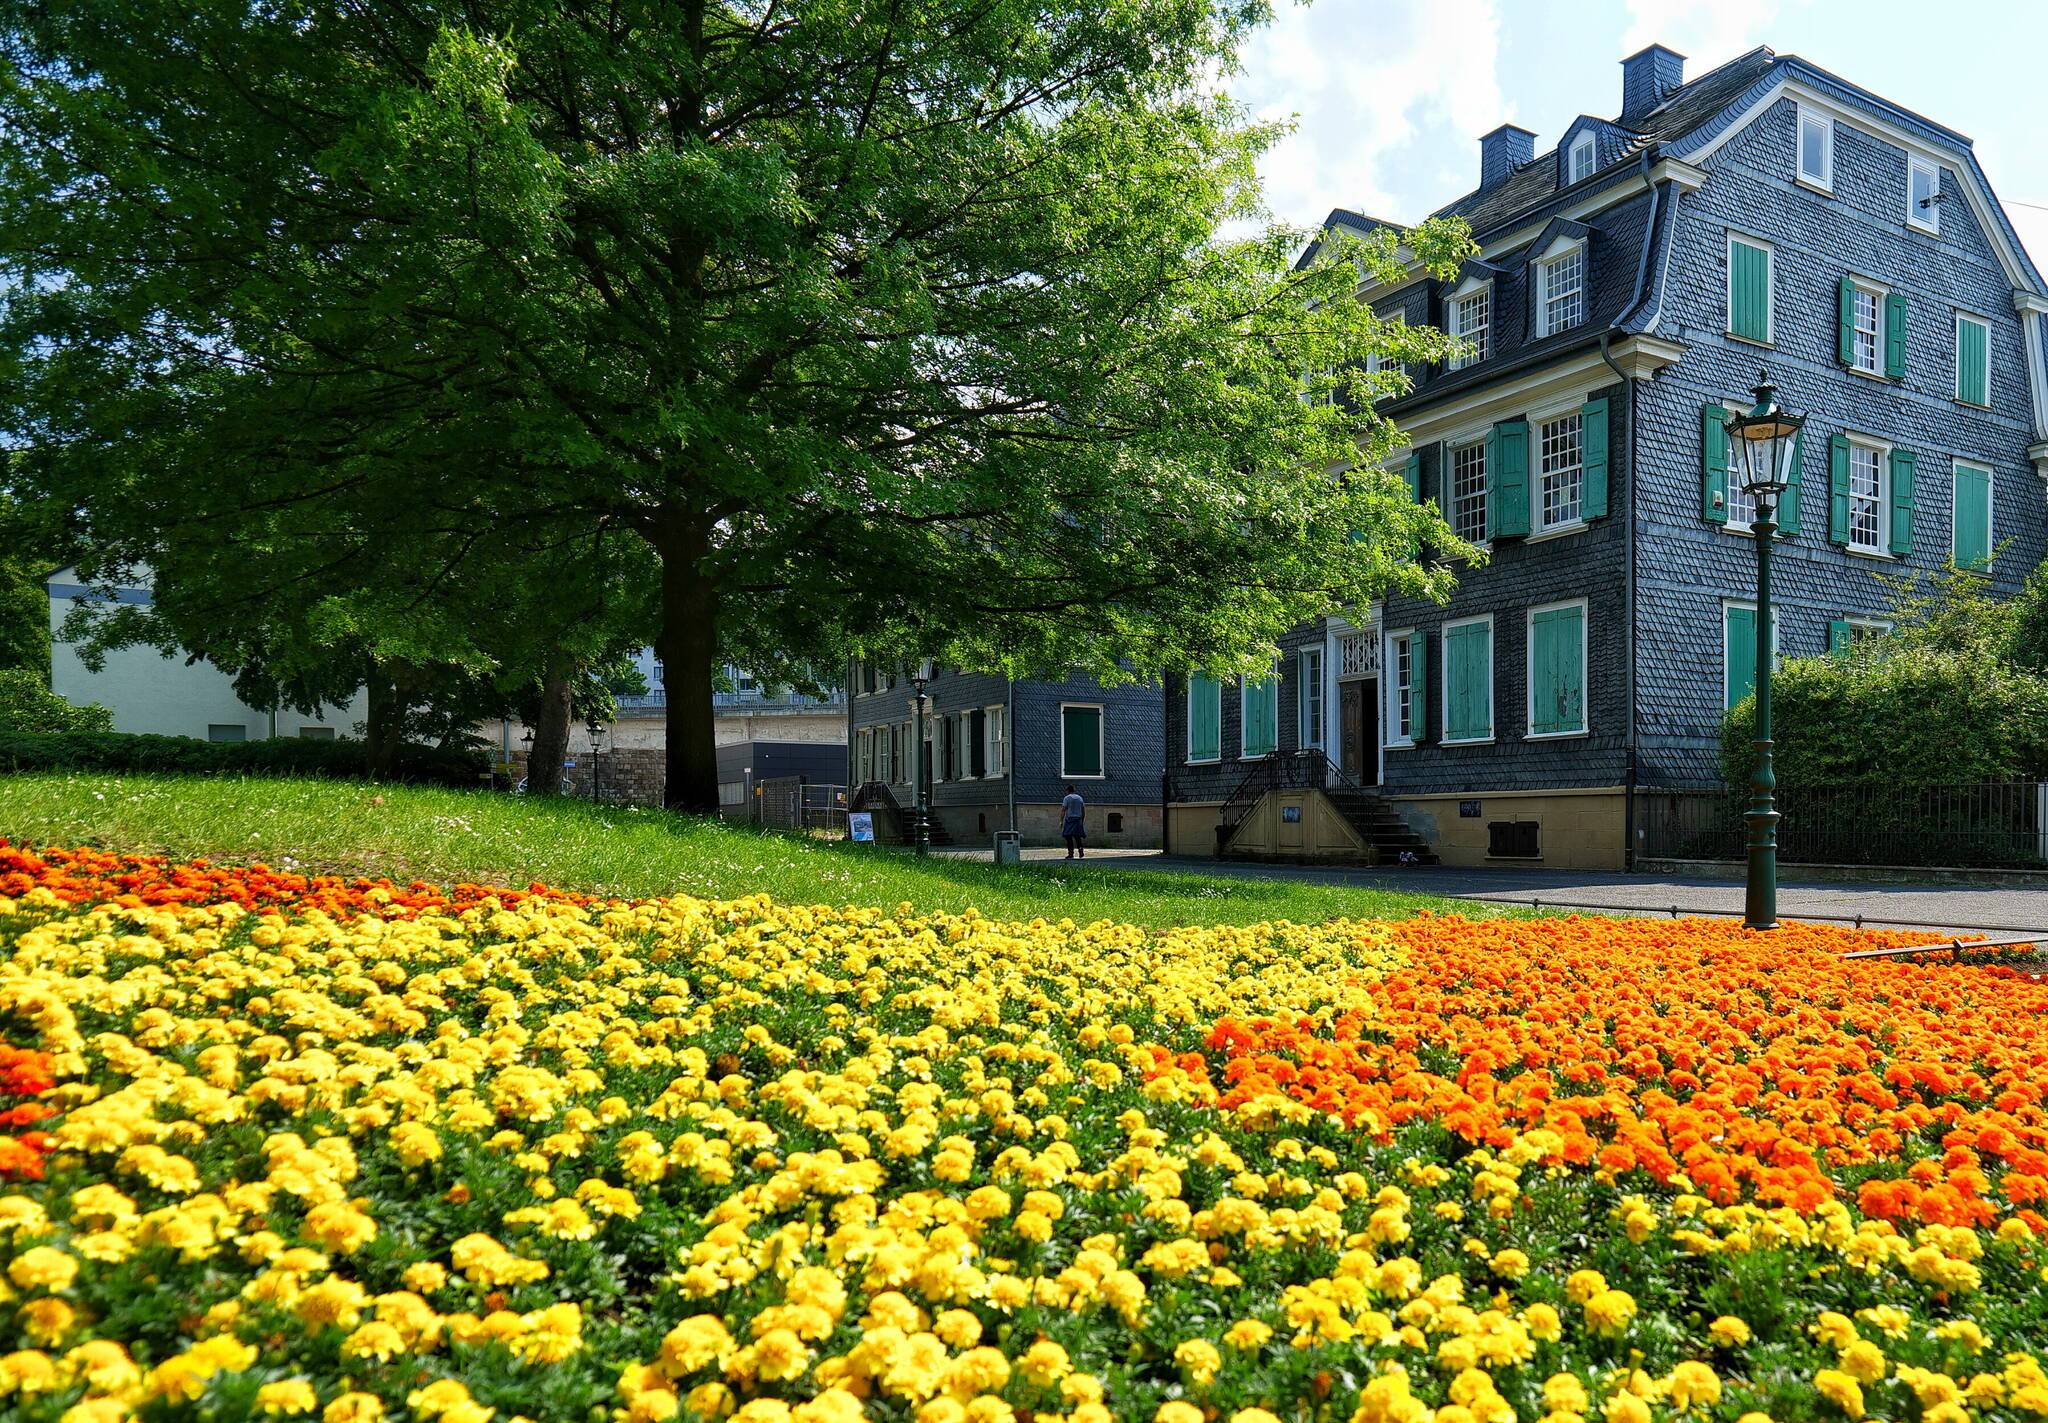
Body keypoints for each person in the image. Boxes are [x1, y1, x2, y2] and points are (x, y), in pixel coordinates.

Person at [1060, 784, 1086, 860]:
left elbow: (1063, 810)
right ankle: (1080, 850)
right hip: (1078, 819)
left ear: (1068, 791)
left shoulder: (1067, 798)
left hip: (1070, 819)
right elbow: (1083, 810)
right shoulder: (1080, 798)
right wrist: (1082, 820)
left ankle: (1070, 853)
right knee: (1077, 837)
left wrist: (1061, 820)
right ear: (1074, 790)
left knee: (1068, 836)